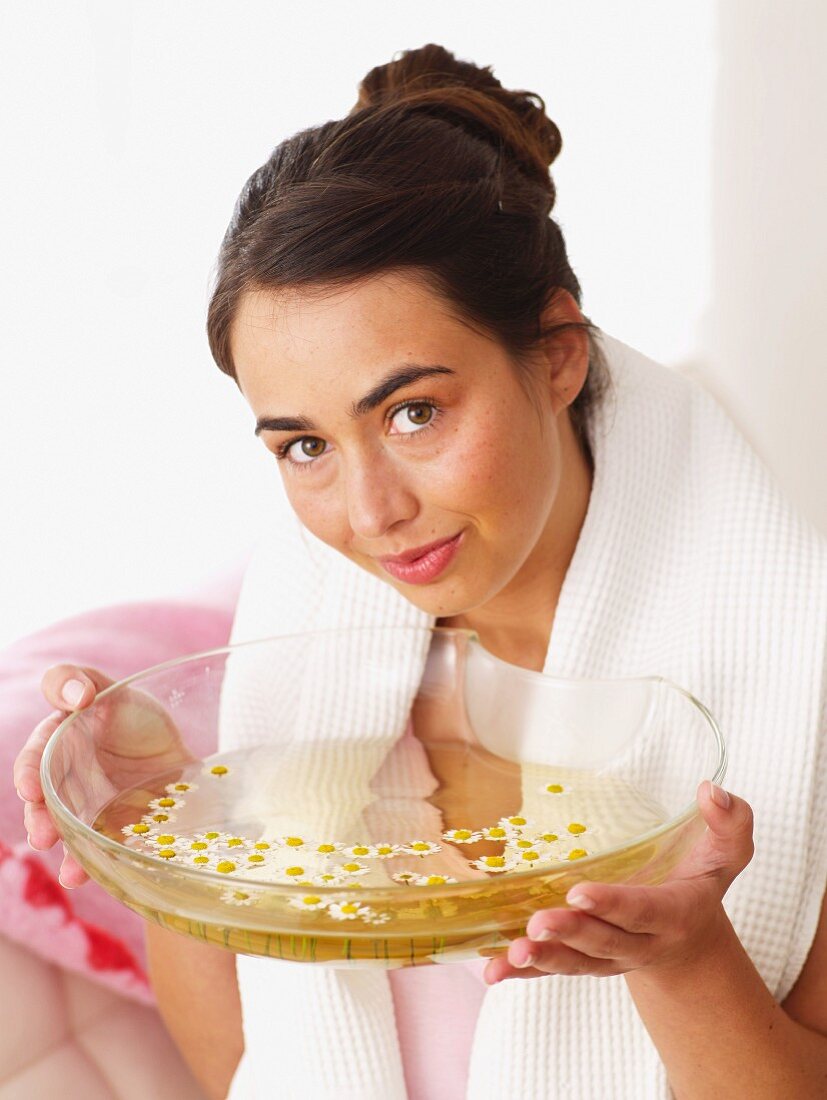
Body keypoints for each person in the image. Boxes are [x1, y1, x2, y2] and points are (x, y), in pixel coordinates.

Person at [13, 43, 827, 1100]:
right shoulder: (321, 701)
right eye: (304, 445)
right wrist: (173, 812)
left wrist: (680, 956)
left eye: (413, 412)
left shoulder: (792, 695)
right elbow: (246, 1074)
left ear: (555, 354)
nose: (369, 514)